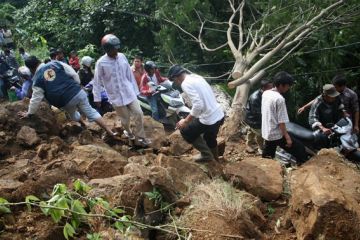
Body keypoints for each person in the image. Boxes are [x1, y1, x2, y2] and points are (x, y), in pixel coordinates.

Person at [18, 56, 115, 137]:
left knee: (73, 114)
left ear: (30, 69)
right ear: (39, 60)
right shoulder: (56, 63)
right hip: (78, 92)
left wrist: (30, 113)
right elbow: (73, 74)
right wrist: (76, 86)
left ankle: (83, 124)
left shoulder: (37, 80)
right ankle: (109, 131)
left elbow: (36, 99)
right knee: (91, 112)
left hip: (65, 102)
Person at [93, 34, 150, 145]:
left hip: (128, 92)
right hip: (116, 96)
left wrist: (136, 91)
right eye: (114, 48)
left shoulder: (122, 57)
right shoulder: (101, 63)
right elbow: (97, 80)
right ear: (107, 49)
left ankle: (141, 137)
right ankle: (128, 132)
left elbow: (129, 75)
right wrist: (97, 97)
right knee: (125, 119)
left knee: (139, 113)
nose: (117, 50)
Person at [168, 64, 224, 162]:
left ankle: (207, 155)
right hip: (218, 113)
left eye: (174, 80)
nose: (175, 83)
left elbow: (198, 105)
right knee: (209, 138)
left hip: (209, 118)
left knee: (185, 130)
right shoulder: (196, 76)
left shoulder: (185, 84)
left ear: (176, 77)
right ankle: (216, 159)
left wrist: (185, 121)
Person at [261, 71, 307, 164]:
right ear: (282, 85)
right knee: (299, 148)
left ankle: (266, 167)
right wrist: (287, 138)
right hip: (276, 133)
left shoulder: (266, 93)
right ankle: (302, 169)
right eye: (288, 85)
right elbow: (281, 122)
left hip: (267, 131)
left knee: (268, 155)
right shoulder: (279, 99)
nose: (288, 88)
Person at [244, 79, 273, 154]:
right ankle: (261, 148)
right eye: (270, 88)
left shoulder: (264, 94)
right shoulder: (255, 98)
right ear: (263, 88)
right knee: (260, 134)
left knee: (251, 131)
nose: (272, 89)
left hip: (253, 117)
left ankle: (248, 144)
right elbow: (257, 113)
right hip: (253, 119)